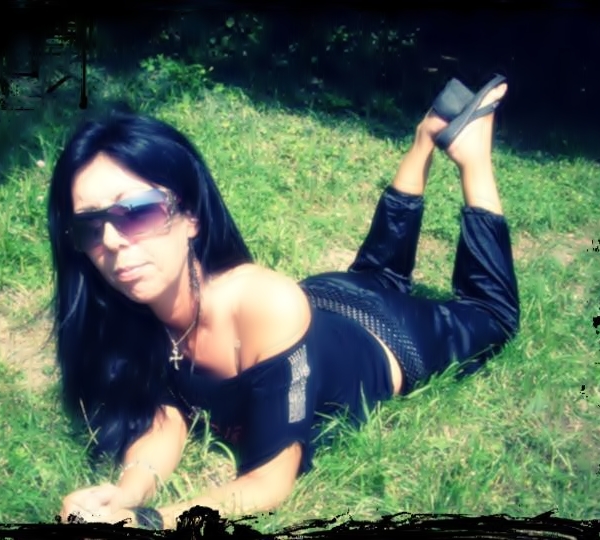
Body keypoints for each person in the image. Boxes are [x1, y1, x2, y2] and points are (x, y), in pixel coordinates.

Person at [51, 74, 519, 529]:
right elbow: (166, 414)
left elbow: (270, 481)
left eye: (135, 211)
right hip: (323, 298)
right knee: (379, 274)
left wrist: (150, 523)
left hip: (388, 336)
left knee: (492, 314)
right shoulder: (135, 314)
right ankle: (424, 139)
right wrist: (127, 494)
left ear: (190, 216)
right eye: (90, 227)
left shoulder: (262, 304)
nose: (111, 240)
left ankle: (473, 155)